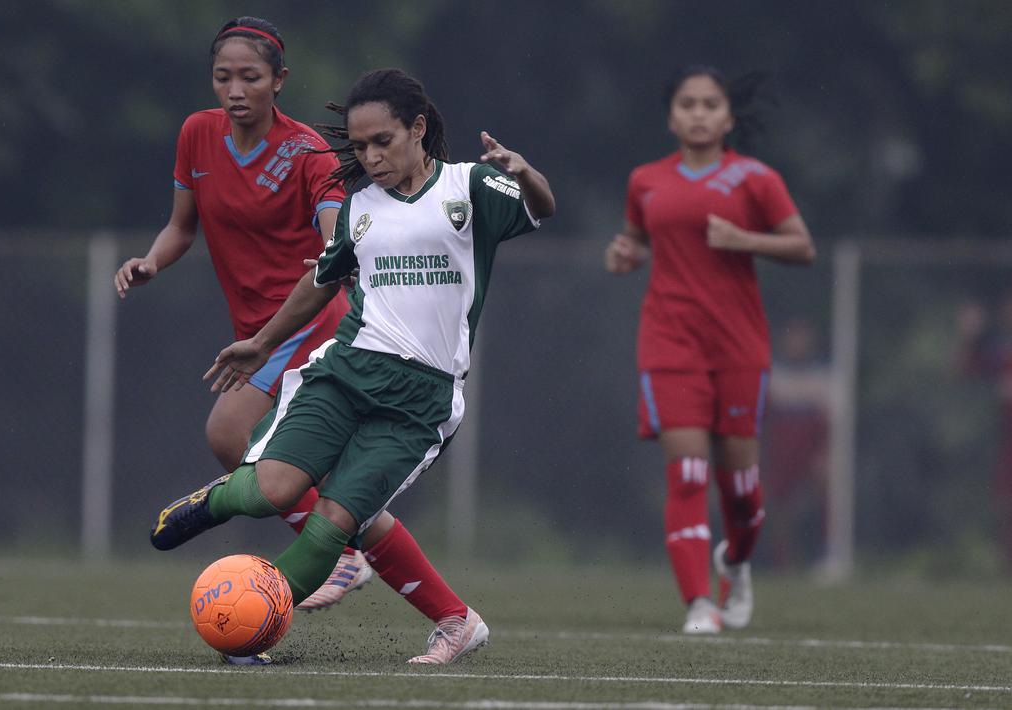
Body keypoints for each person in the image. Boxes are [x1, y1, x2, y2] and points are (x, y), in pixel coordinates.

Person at [149, 67, 554, 663]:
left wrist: (526, 173)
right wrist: (262, 343)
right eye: (359, 146)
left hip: (422, 398)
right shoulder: (361, 207)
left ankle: (256, 624)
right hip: (345, 370)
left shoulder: (470, 188)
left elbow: (543, 207)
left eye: (382, 141)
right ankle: (214, 502)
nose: (369, 156)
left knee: (336, 520)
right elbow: (323, 278)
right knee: (272, 490)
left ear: (418, 129)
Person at [116, 18, 475, 663]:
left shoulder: (309, 151)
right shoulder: (198, 134)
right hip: (256, 330)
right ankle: (447, 613)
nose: (235, 90)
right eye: (223, 76)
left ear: (279, 81)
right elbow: (180, 226)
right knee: (348, 497)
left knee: (229, 433)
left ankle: (331, 558)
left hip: (309, 323)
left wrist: (355, 238)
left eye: (250, 77)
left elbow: (341, 239)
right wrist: (151, 261)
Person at [604, 65, 815, 634]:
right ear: (672, 115)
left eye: (710, 104)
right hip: (670, 341)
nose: (698, 113)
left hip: (739, 346)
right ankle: (699, 603)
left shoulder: (756, 179)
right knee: (689, 474)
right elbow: (639, 242)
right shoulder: (645, 179)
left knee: (743, 494)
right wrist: (626, 255)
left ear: (728, 117)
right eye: (688, 104)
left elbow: (803, 246)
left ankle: (737, 561)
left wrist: (745, 239)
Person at [763, 316, 830, 569]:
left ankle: (826, 555)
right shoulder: (774, 374)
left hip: (812, 451)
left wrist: (824, 455)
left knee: (826, 496)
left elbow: (827, 422)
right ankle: (782, 561)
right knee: (777, 506)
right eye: (793, 337)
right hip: (781, 453)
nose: (798, 343)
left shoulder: (821, 376)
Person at [955, 292, 1012, 570]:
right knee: (1005, 501)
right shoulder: (998, 349)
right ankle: (1006, 562)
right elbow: (963, 370)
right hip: (1006, 436)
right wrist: (969, 334)